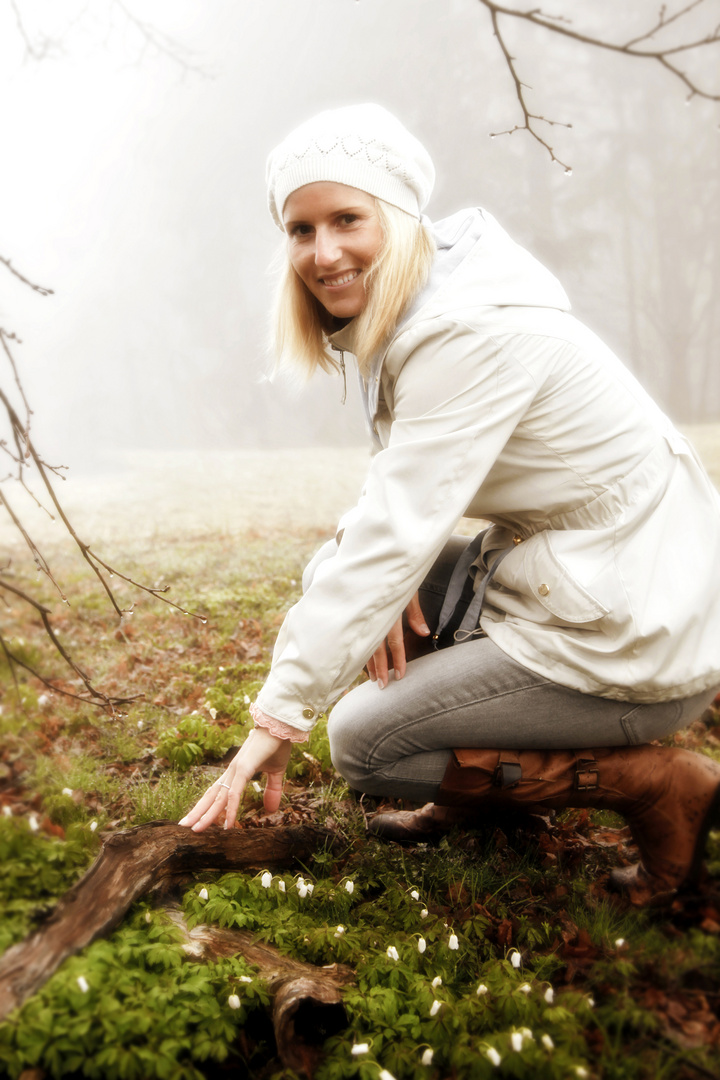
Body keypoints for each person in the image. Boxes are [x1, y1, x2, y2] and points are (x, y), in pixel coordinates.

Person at [180, 104, 720, 907]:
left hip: (640, 630)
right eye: (300, 229)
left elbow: (397, 526)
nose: (323, 253)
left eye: (346, 220)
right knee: (341, 568)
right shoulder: (429, 302)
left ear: (397, 216)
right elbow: (389, 508)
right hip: (593, 576)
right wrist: (380, 579)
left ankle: (654, 783)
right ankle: (486, 792)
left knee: (366, 742)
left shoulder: (469, 329)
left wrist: (277, 720)